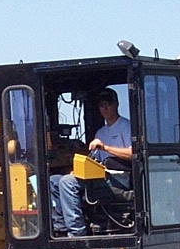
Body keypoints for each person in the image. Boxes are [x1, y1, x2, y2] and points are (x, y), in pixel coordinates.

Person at [50, 87, 133, 237]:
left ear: (116, 104)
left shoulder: (126, 127)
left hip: (119, 179)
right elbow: (95, 160)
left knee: (67, 183)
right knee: (54, 180)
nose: (105, 108)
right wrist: (79, 171)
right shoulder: (100, 132)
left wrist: (105, 147)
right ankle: (61, 226)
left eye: (108, 104)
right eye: (101, 105)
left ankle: (77, 233)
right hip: (101, 177)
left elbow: (133, 153)